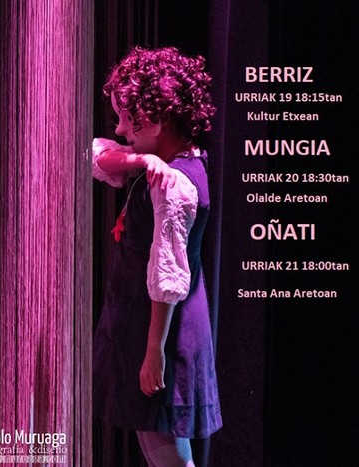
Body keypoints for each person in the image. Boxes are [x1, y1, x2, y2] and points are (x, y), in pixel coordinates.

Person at [92, 46, 222, 467]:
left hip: (164, 331)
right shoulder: (167, 164)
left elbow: (168, 274)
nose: (120, 128)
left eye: (129, 118)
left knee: (169, 456)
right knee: (159, 449)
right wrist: (142, 156)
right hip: (150, 326)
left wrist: (153, 351)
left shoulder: (174, 182)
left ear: (158, 119)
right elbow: (98, 156)